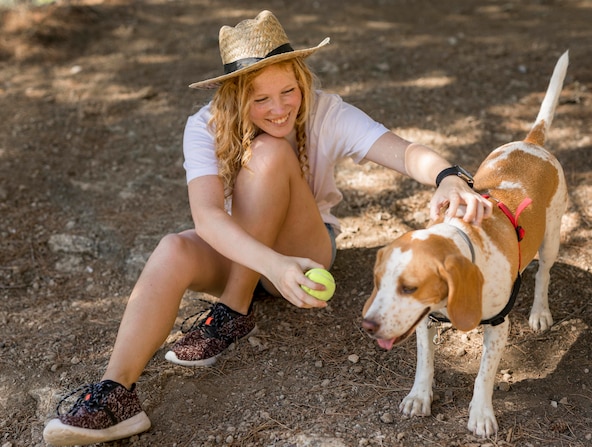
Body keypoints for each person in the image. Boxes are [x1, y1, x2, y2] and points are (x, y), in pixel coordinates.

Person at [42, 10, 493, 446]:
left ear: (302, 81)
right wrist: (269, 266)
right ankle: (116, 392)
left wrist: (448, 174)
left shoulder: (324, 112)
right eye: (260, 99)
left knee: (270, 152)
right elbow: (208, 217)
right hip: (255, 255)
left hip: (304, 250)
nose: (280, 109)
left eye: (289, 91)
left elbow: (402, 150)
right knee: (173, 248)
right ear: (236, 97)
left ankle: (234, 311)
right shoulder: (203, 126)